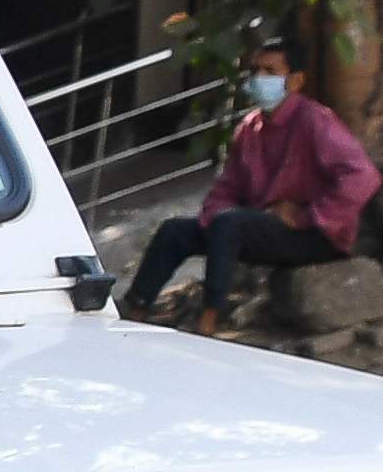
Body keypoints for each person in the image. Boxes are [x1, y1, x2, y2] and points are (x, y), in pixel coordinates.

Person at [121, 41, 375, 332]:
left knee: (231, 224)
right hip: (258, 227)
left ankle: (209, 320)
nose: (259, 79)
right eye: (255, 71)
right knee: (175, 231)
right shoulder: (251, 126)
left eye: (270, 71)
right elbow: (227, 187)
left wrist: (309, 215)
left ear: (296, 80)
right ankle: (135, 310)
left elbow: (362, 177)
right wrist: (213, 217)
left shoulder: (315, 121)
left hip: (314, 235)